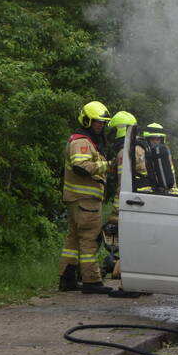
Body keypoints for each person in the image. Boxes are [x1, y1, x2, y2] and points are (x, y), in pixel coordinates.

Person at [59, 101, 112, 294]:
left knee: (72, 241)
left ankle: (68, 278)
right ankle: (92, 281)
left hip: (77, 199)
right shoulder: (82, 141)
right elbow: (80, 167)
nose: (101, 125)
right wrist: (107, 166)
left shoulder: (85, 141)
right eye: (97, 122)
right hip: (85, 201)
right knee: (90, 238)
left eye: (103, 122)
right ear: (87, 120)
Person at [103, 111, 148, 298]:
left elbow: (123, 185)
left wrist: (115, 212)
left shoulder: (125, 152)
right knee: (142, 244)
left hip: (135, 204)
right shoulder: (140, 148)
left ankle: (129, 286)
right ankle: (142, 283)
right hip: (146, 202)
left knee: (131, 244)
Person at [143, 123, 178, 194]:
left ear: (162, 140)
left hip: (168, 193)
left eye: (158, 139)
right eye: (152, 139)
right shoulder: (143, 154)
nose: (155, 142)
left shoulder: (164, 155)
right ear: (147, 140)